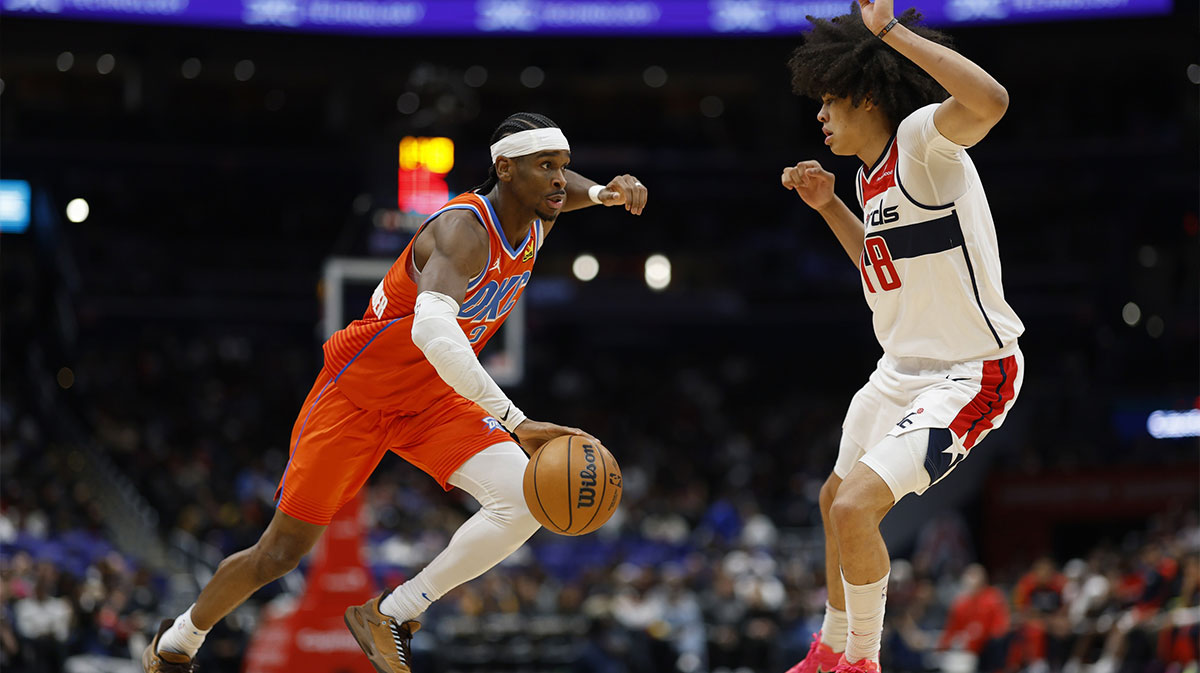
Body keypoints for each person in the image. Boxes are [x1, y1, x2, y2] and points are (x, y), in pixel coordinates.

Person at [141, 112, 649, 673]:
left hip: (433, 402)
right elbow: (431, 332)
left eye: (564, 167)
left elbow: (563, 190)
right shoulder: (463, 231)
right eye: (546, 167)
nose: (560, 181)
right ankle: (180, 639)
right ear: (504, 170)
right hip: (357, 398)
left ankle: (393, 611)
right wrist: (515, 421)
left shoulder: (537, 215)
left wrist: (601, 193)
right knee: (280, 553)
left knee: (527, 499)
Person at [780, 2, 1025, 672]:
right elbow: (880, 267)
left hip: (971, 369)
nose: (821, 116)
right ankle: (830, 649)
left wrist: (890, 31)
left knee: (857, 506)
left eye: (829, 100)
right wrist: (832, 205)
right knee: (834, 501)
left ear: (865, 96)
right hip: (899, 369)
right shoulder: (868, 176)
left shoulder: (922, 140)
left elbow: (992, 100)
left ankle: (863, 660)